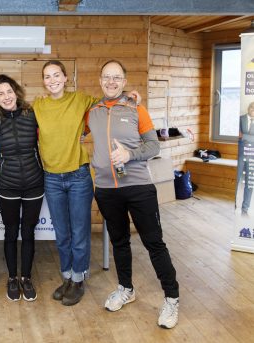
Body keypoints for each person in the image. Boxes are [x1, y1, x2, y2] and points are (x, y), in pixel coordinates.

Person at [87, 59, 179, 329]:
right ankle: (126, 289)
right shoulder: (91, 111)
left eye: (117, 77)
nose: (111, 82)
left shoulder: (137, 108)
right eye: (106, 77)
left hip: (138, 187)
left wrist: (129, 154)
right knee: (119, 242)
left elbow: (154, 147)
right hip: (105, 189)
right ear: (100, 80)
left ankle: (172, 298)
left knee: (154, 243)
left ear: (124, 81)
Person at [32, 60, 99, 306]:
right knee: (62, 234)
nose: (52, 80)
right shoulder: (38, 105)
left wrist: (129, 96)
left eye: (56, 75)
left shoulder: (80, 99)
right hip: (51, 177)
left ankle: (79, 279)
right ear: (43, 82)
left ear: (66, 77)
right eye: (47, 77)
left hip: (78, 176)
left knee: (79, 232)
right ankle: (67, 277)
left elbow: (106, 106)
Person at [0, 74, 44, 302]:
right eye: (1, 94)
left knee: (28, 232)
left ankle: (26, 278)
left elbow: (55, 131)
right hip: (7, 185)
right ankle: (12, 278)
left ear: (16, 92)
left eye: (9, 91)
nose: (6, 96)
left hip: (34, 184)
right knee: (10, 232)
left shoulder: (32, 114)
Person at [237, 101, 254, 216]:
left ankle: (245, 209)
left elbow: (242, 136)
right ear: (249, 108)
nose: (253, 110)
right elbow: (238, 136)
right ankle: (233, 205)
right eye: (252, 107)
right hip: (240, 154)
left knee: (250, 183)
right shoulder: (240, 119)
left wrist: (245, 136)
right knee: (236, 180)